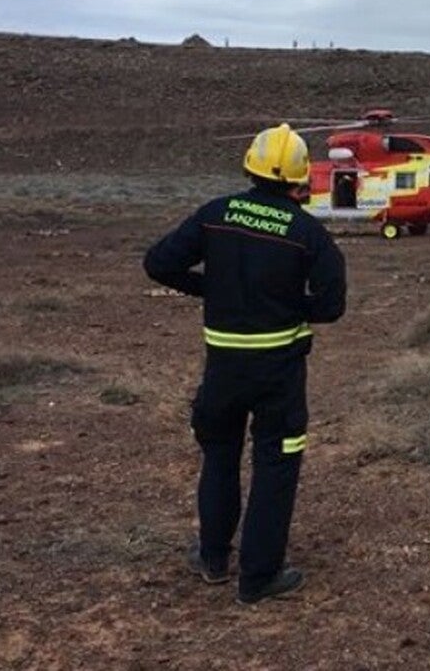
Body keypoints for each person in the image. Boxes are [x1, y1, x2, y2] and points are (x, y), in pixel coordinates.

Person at [143, 124, 347, 604]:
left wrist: (212, 289)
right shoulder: (307, 233)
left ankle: (213, 558)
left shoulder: (215, 215)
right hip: (279, 373)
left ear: (250, 167)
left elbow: (159, 263)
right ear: (299, 177)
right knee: (275, 466)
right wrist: (289, 305)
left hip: (223, 369)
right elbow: (331, 305)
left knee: (219, 455)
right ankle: (259, 578)